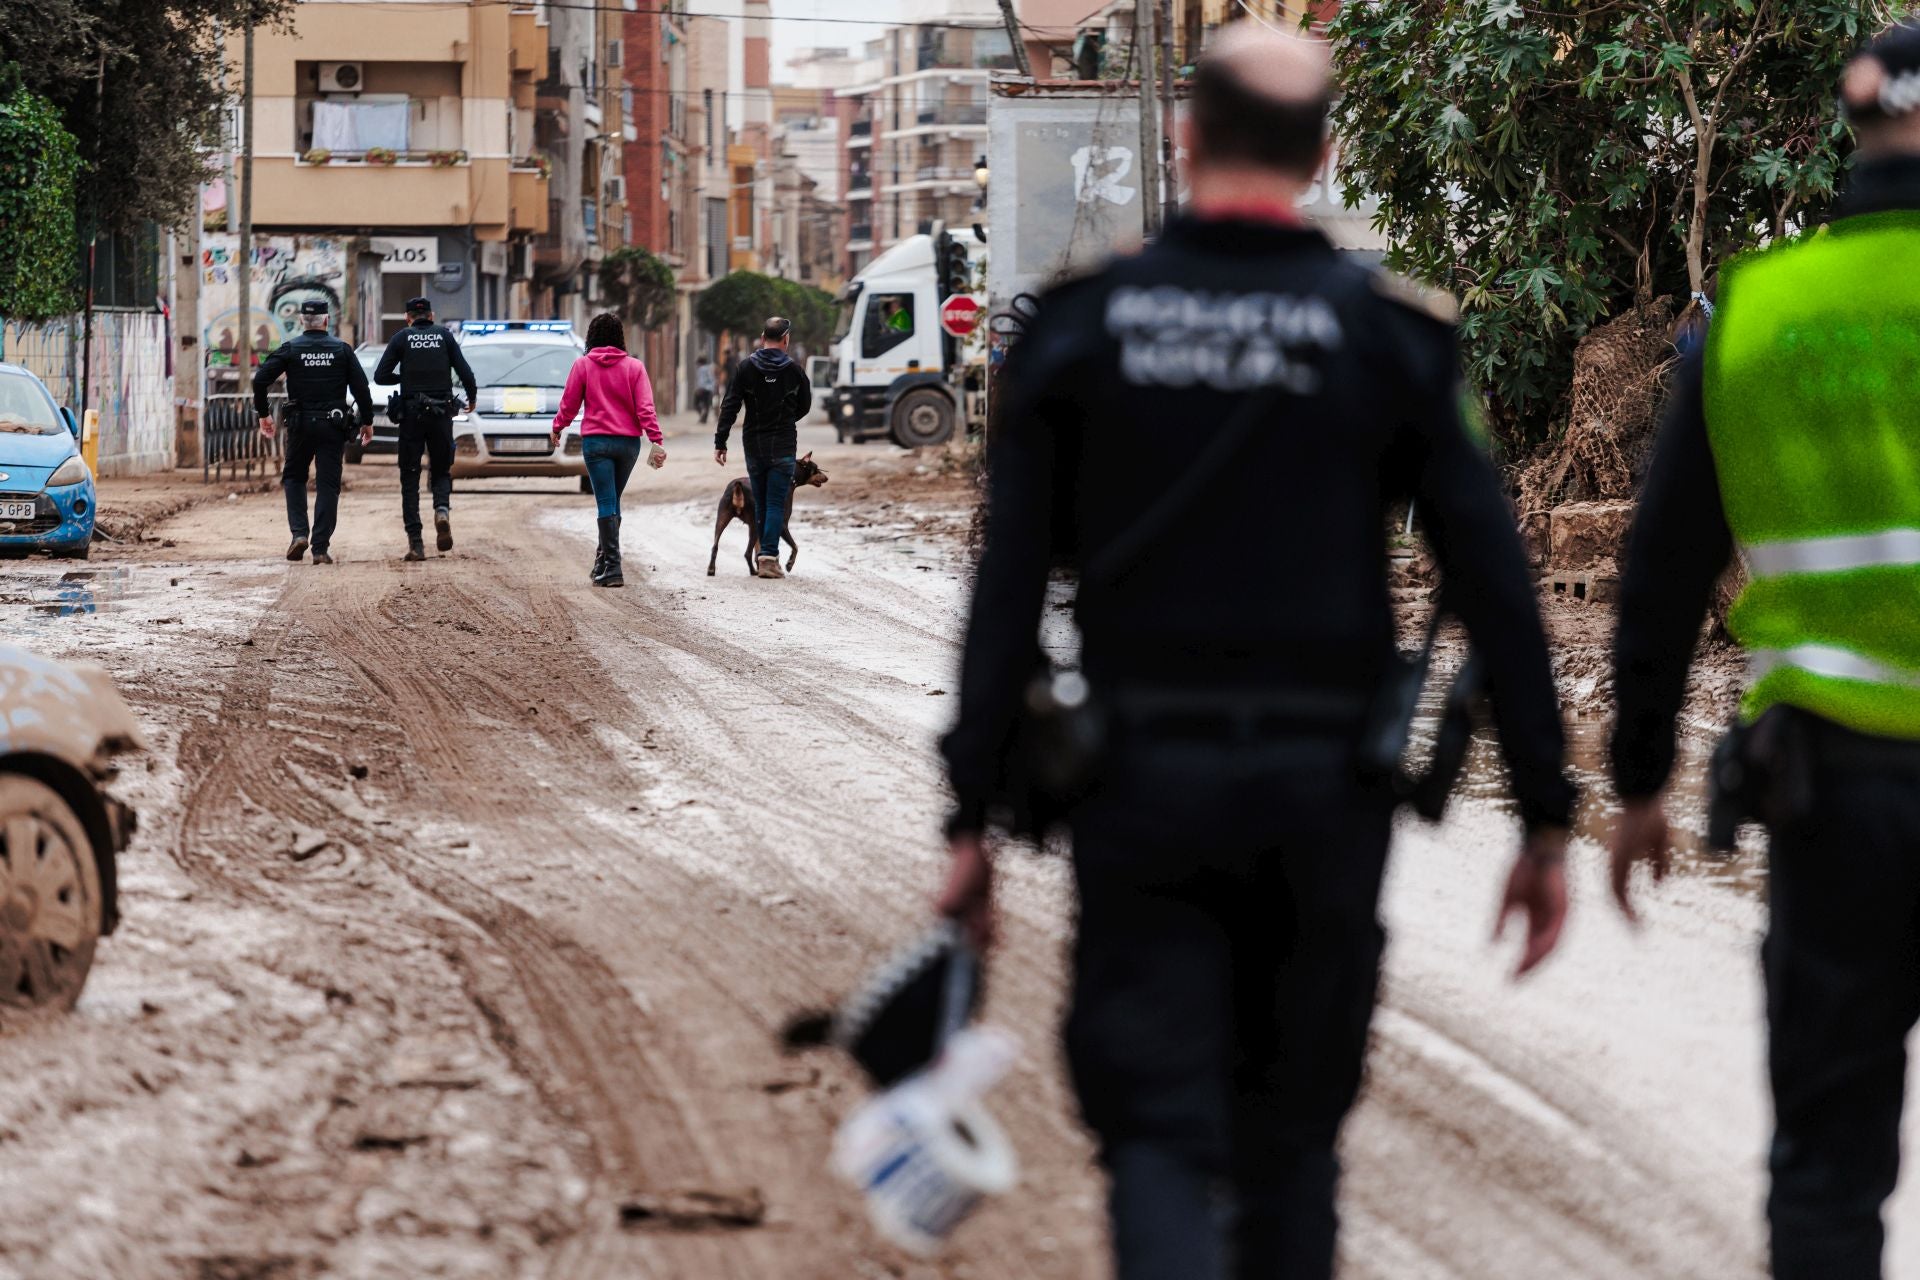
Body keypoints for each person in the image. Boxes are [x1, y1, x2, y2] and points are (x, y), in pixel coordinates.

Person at [933, 26, 1574, 1280]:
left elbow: (1003, 594)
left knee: (1161, 1131)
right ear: (1325, 155)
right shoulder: (1393, 339)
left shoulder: (1080, 328)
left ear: (1186, 141)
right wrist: (1546, 816)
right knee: (1290, 1139)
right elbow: (1497, 587)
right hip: (1323, 794)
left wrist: (967, 817)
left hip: (1139, 784)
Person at [1609, 23, 1920, 1280]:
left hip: (1836, 786)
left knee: (1828, 1157)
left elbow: (1665, 566)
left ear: (1852, 123)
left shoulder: (1760, 308)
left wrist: (1637, 780)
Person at [253, 299, 373, 565]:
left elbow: (260, 379)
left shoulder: (291, 349)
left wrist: (264, 414)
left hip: (301, 426)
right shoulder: (341, 350)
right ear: (327, 321)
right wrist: (367, 420)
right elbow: (361, 389)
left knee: (294, 478)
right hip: (333, 426)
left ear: (301, 322)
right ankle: (320, 548)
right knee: (328, 486)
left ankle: (299, 534)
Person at [549, 312, 665, 588]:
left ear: (591, 337)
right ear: (619, 337)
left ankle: (613, 567)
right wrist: (656, 439)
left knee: (606, 503)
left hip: (597, 443)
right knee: (612, 500)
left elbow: (570, 404)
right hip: (628, 445)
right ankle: (603, 559)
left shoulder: (583, 365)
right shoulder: (635, 367)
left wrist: (558, 426)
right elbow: (645, 409)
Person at [374, 296, 478, 561]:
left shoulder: (401, 338)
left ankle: (416, 544)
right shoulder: (444, 336)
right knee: (441, 469)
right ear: (431, 316)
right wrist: (472, 397)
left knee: (409, 478)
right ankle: (442, 509)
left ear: (408, 318)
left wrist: (406, 377)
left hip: (411, 416)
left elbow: (380, 376)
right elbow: (465, 372)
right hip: (441, 413)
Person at [714, 316, 812, 579]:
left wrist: (720, 441)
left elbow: (730, 405)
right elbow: (804, 405)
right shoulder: (794, 370)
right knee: (776, 502)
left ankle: (765, 556)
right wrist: (786, 418)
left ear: (761, 337)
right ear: (786, 339)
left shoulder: (746, 367)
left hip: (754, 443)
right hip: (782, 444)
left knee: (761, 500)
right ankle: (768, 556)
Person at [694, 356, 717, 423]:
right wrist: (713, 388)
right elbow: (712, 379)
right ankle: (704, 419)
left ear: (700, 363)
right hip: (709, 389)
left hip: (702, 389)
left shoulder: (701, 369)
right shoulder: (709, 369)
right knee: (706, 404)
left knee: (696, 403)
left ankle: (702, 412)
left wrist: (698, 388)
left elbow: (701, 380)